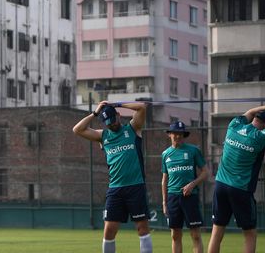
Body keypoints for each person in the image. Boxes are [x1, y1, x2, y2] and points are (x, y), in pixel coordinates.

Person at [207, 95, 265, 253]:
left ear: (255, 119)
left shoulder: (234, 125)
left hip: (220, 185)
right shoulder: (260, 136)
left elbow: (249, 112)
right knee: (249, 234)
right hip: (240, 189)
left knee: (217, 232)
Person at [72, 101, 153, 253]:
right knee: (109, 231)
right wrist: (95, 113)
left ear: (118, 116)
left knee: (142, 229)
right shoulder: (103, 136)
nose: (111, 125)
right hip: (115, 189)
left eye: (113, 120)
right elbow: (77, 129)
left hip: (136, 186)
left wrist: (118, 104)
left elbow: (141, 107)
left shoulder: (132, 128)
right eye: (107, 123)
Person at [161, 121, 208, 253]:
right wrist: (164, 202)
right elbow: (164, 180)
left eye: (181, 133)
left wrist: (192, 184)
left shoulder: (193, 151)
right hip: (173, 198)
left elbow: (206, 172)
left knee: (196, 235)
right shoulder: (165, 154)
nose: (178, 136)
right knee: (175, 235)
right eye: (175, 133)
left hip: (190, 197)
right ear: (170, 134)